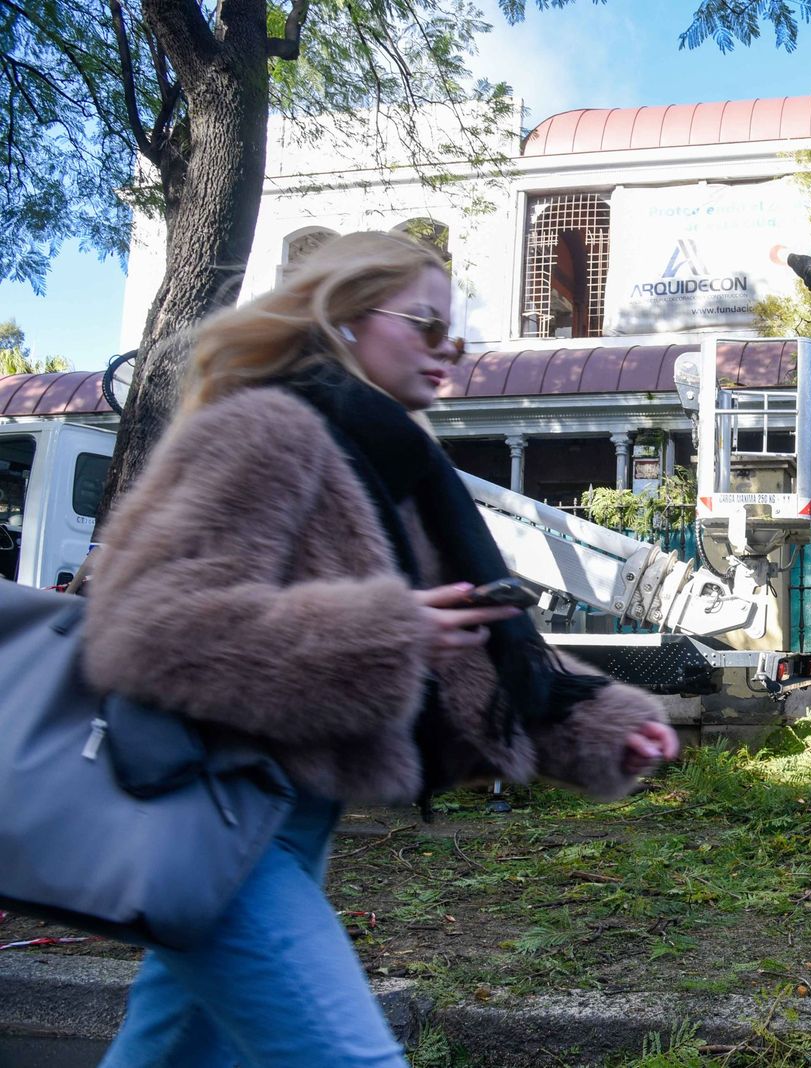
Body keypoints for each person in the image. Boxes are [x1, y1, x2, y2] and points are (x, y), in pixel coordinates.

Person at [80, 231, 680, 1067]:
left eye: (456, 337)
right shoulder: (266, 430)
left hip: (285, 823)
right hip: (222, 811)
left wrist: (602, 726)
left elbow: (465, 645)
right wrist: (380, 628)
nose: (450, 354)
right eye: (428, 326)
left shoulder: (388, 468)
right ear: (347, 321)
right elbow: (145, 625)